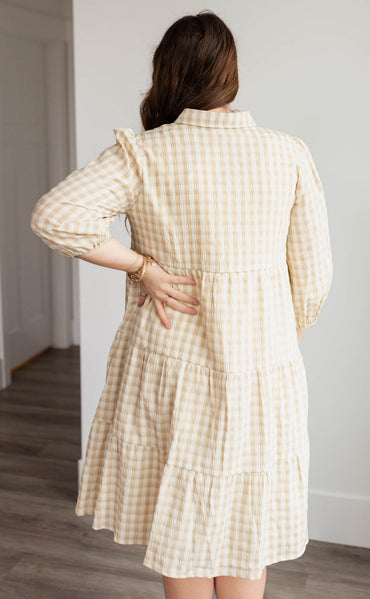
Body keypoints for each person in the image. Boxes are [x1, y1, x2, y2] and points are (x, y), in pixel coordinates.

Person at [30, 9, 333, 599]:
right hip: (261, 371)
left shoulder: (145, 154)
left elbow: (55, 216)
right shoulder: (287, 153)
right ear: (231, 75)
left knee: (185, 515)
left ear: (166, 74)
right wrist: (277, 335)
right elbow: (315, 278)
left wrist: (144, 267)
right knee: (247, 517)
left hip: (169, 363)